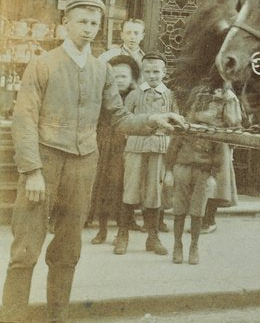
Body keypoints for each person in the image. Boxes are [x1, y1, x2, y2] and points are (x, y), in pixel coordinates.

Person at [0, 0, 184, 323]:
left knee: (69, 251)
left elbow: (119, 118)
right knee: (25, 250)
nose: (88, 29)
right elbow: (24, 118)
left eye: (94, 23)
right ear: (66, 24)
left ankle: (57, 318)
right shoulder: (43, 64)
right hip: (44, 163)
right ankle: (12, 318)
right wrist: (31, 171)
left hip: (83, 165)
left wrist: (154, 121)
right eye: (82, 21)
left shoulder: (102, 70)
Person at [119, 52, 177, 256]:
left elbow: (176, 123)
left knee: (154, 193)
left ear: (164, 72)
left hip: (160, 148)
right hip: (135, 147)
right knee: (131, 190)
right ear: (142, 73)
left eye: (156, 71)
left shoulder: (170, 96)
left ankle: (153, 237)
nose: (152, 76)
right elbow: (124, 122)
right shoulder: (134, 95)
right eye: (148, 71)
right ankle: (122, 235)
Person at [164, 87, 231, 264]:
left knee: (197, 211)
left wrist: (214, 176)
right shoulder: (184, 127)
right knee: (179, 210)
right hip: (182, 169)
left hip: (203, 172)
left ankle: (194, 247)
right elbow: (173, 148)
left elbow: (218, 156)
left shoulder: (214, 132)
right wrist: (169, 171)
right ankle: (177, 246)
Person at [87, 54, 138, 245]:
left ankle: (122, 231)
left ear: (132, 78)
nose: (119, 80)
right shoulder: (103, 96)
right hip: (104, 144)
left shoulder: (134, 97)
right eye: (115, 76)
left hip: (127, 146)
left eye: (124, 76)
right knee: (103, 187)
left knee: (123, 187)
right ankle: (102, 229)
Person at [201, 86, 242, 234]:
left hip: (219, 144)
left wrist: (230, 144)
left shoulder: (228, 96)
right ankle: (200, 218)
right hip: (200, 142)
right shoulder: (202, 91)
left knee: (216, 183)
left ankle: (209, 219)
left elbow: (233, 122)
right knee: (201, 180)